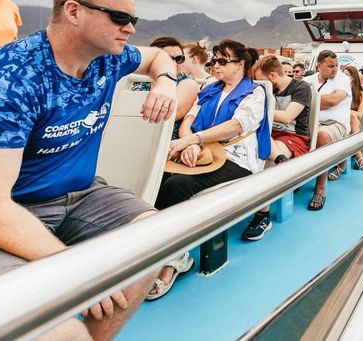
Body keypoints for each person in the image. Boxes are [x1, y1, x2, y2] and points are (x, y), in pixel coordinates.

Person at [0, 0, 178, 339]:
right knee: (60, 334)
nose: (130, 29)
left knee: (157, 239)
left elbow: (158, 56)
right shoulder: (6, 81)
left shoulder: (109, 59)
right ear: (74, 11)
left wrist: (166, 83)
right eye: (119, 17)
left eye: (134, 20)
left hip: (81, 196)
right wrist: (77, 271)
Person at [150, 39, 270, 299]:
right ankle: (155, 249)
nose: (215, 65)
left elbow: (236, 126)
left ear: (240, 64)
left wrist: (193, 141)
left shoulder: (254, 93)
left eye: (222, 61)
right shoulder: (209, 88)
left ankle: (175, 259)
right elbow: (189, 119)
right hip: (201, 151)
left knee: (177, 186)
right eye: (214, 60)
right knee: (156, 177)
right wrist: (189, 143)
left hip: (236, 159)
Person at [242, 55, 311, 241]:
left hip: (294, 137)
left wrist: (257, 111)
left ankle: (263, 215)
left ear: (272, 76)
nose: (260, 84)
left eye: (262, 80)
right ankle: (281, 162)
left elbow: (288, 117)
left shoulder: (301, 87)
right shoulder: (265, 89)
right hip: (268, 135)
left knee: (266, 159)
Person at [304, 50, 352, 209]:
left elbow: (332, 101)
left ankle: (320, 189)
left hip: (335, 125)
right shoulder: (308, 80)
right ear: (319, 66)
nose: (335, 69)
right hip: (310, 123)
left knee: (322, 136)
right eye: (330, 66)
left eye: (336, 65)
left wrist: (306, 101)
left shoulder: (343, 79)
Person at [131, 36, 200, 129]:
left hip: (163, 135)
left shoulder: (188, 83)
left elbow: (171, 114)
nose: (174, 63)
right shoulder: (136, 80)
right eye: (167, 59)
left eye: (179, 58)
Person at [337, 65, 363, 174]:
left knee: (352, 117)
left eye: (347, 75)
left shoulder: (362, 94)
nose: (343, 77)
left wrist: (347, 112)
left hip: (353, 123)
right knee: (351, 116)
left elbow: (360, 114)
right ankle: (359, 157)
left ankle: (345, 164)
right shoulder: (338, 91)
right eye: (342, 75)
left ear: (353, 77)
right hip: (339, 120)